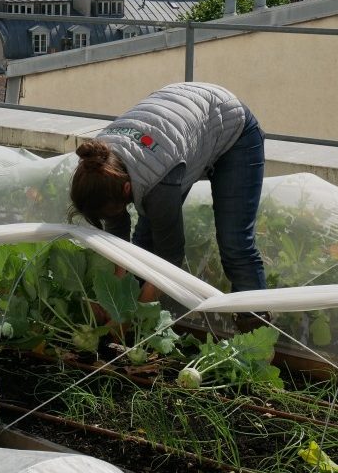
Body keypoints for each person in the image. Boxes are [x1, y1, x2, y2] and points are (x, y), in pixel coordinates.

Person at [69, 82, 269, 332]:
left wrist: (131, 318)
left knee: (235, 244)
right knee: (144, 243)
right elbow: (119, 246)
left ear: (126, 190)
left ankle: (257, 331)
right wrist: (114, 301)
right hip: (177, 132)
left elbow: (170, 258)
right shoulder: (98, 166)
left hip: (231, 127)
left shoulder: (157, 184)